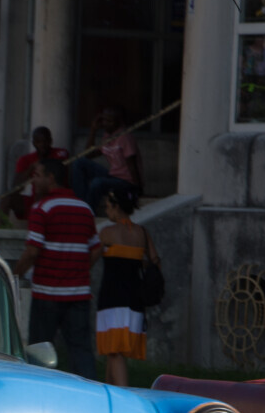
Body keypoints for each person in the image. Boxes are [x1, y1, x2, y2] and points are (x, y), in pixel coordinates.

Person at [11, 158, 101, 380]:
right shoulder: (85, 208)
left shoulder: (42, 208)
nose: (33, 179)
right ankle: (89, 397)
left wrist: (12, 274)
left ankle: (37, 396)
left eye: (38, 174)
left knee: (39, 354)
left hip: (47, 295)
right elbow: (96, 249)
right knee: (81, 352)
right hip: (78, 295)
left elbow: (32, 251)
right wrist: (78, 270)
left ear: (51, 178)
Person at [94, 189, 158, 387]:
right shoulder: (142, 233)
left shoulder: (107, 233)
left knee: (114, 350)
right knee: (115, 351)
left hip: (112, 299)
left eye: (107, 206)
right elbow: (154, 261)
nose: (106, 211)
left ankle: (122, 393)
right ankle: (109, 389)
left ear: (116, 206)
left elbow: (90, 259)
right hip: (135, 300)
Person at [70, 107, 142, 215]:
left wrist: (137, 189)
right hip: (113, 176)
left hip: (126, 182)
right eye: (104, 120)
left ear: (118, 121)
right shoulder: (107, 135)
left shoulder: (125, 137)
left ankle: (86, 214)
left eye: (109, 121)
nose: (105, 124)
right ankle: (81, 205)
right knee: (80, 163)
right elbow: (88, 155)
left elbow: (132, 165)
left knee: (97, 183)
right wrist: (93, 130)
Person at [9, 126, 69, 221]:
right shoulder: (26, 160)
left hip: (56, 197)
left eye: (45, 141)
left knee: (42, 190)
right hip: (34, 199)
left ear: (51, 141)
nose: (43, 145)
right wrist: (31, 169)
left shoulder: (60, 153)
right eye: (38, 142)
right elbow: (15, 187)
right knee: (6, 199)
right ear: (33, 143)